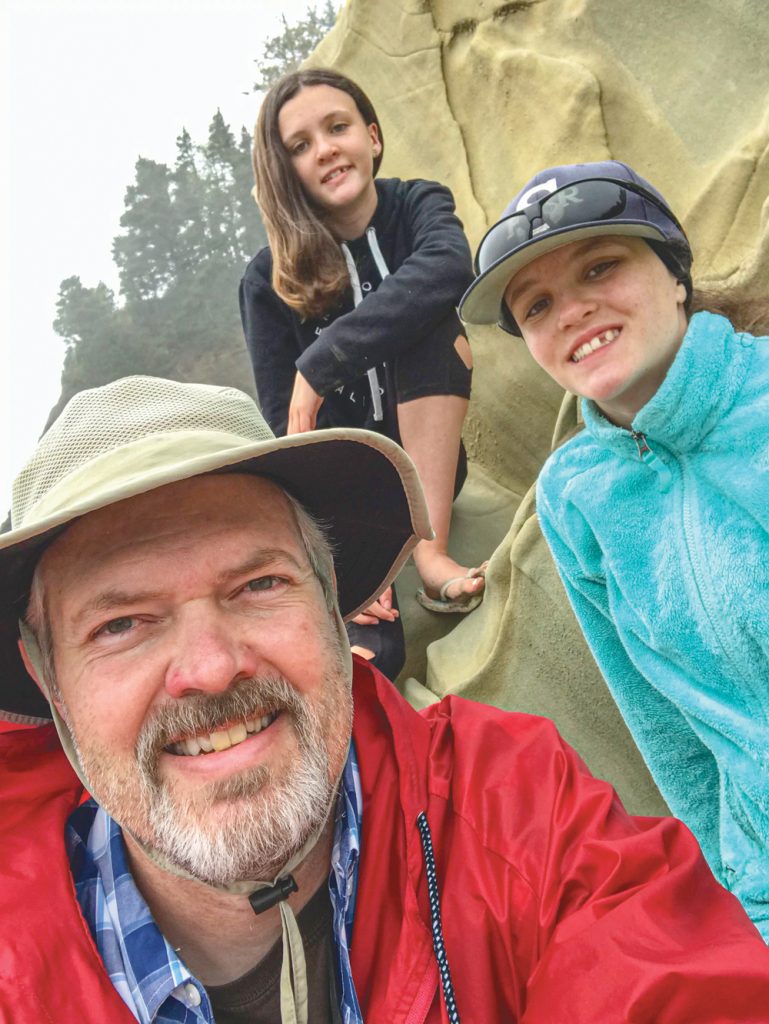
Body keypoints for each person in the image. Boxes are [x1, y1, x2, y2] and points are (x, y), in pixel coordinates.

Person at [2, 374, 769, 1024]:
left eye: (259, 584)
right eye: (121, 624)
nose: (209, 668)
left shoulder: (512, 806)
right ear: (49, 681)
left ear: (332, 600)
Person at [459, 159, 769, 939]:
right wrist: (733, 897)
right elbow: (662, 724)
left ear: (673, 274)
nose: (570, 311)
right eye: (536, 305)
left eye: (599, 266)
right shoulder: (577, 495)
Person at [239, 68, 486, 679]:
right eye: (300, 146)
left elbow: (449, 268)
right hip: (346, 498)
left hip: (431, 471)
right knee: (377, 659)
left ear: (372, 137)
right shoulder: (266, 278)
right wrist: (340, 551)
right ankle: (355, 578)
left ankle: (430, 558)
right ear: (287, 170)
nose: (324, 149)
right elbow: (285, 426)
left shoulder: (418, 204)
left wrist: (320, 366)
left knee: (431, 323)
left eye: (337, 127)